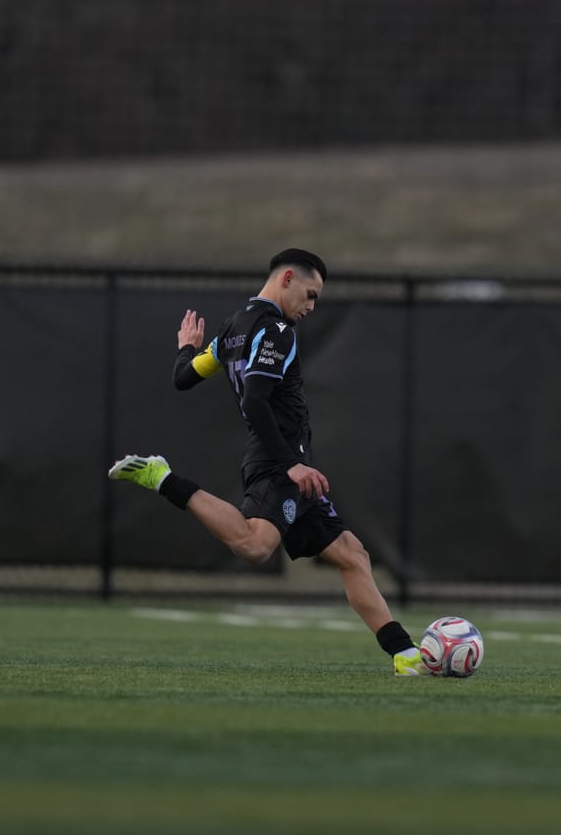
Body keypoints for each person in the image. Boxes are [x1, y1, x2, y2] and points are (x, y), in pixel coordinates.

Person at [108, 248, 425, 676]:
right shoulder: (276, 330)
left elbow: (184, 378)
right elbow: (256, 401)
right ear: (288, 279)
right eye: (310, 295)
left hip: (287, 460)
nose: (311, 307)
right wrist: (291, 464)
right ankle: (163, 478)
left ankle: (406, 656)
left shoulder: (232, 330)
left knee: (352, 555)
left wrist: (186, 349)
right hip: (280, 460)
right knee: (256, 546)